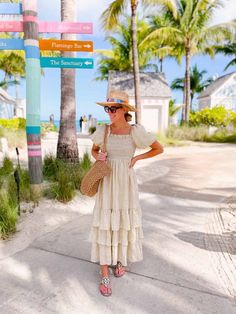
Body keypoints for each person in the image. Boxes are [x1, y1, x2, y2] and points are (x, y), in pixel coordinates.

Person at [89, 89, 164, 297]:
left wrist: (138, 159)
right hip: (107, 180)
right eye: (107, 108)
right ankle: (105, 274)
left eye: (114, 108)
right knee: (105, 223)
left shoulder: (135, 131)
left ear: (124, 110)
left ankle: (120, 260)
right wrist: (98, 156)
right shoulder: (104, 131)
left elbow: (159, 148)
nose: (110, 112)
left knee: (123, 221)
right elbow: (93, 151)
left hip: (126, 183)